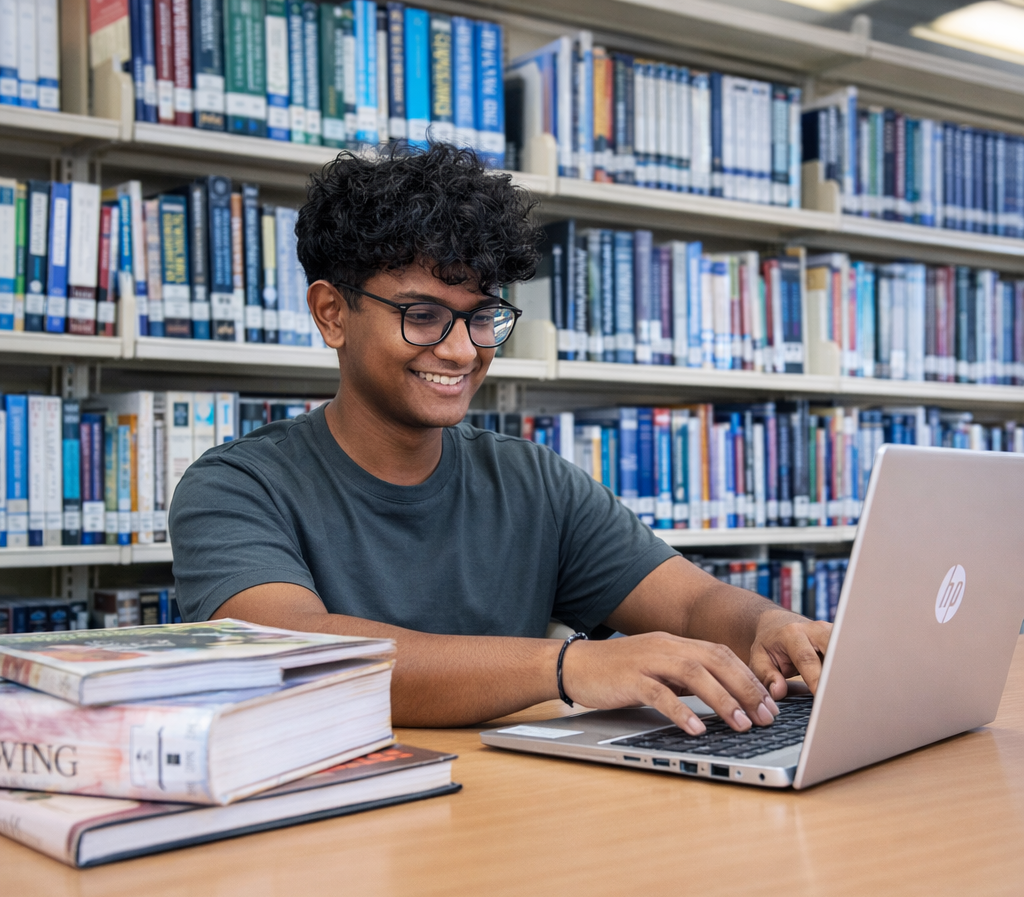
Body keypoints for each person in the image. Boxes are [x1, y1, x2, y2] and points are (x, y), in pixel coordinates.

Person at [169, 144, 831, 734]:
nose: (461, 351)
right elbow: (303, 651)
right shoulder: (235, 487)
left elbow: (690, 599)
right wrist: (571, 666)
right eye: (423, 315)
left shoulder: (533, 483)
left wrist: (766, 627)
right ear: (332, 313)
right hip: (332, 830)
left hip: (508, 819)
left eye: (483, 316)